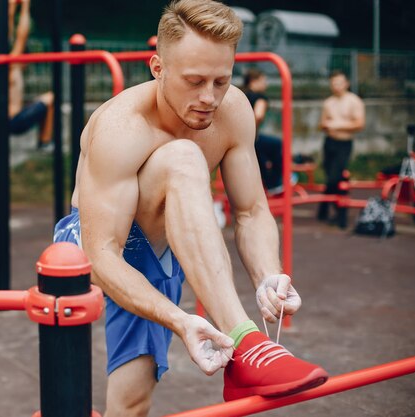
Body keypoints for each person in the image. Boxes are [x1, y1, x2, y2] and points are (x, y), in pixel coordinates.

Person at [53, 1, 328, 415]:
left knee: (131, 403)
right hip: (95, 239)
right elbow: (101, 252)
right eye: (194, 80)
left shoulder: (233, 110)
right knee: (182, 157)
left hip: (166, 236)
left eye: (221, 80)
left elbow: (252, 210)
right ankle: (247, 344)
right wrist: (181, 320)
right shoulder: (121, 127)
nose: (209, 97)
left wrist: (269, 275)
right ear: (157, 67)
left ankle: (241, 358)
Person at [317, 70, 365, 222]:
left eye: (339, 82)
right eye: (333, 83)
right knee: (330, 177)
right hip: (329, 142)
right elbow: (322, 124)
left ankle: (337, 211)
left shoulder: (354, 101)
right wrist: (327, 125)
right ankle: (331, 211)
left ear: (346, 83)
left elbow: (359, 124)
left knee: (335, 178)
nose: (336, 86)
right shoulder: (328, 102)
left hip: (344, 144)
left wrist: (338, 125)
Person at [8, 0, 54, 149]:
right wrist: (26, 5)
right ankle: (45, 141)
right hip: (13, 121)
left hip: (12, 118)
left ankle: (44, 140)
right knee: (51, 98)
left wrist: (12, 8)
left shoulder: (8, 67)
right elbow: (21, 36)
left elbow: (9, 36)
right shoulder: (12, 65)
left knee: (45, 99)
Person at [242, 68, 287, 195]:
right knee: (277, 144)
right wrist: (252, 130)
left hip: (238, 137)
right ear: (253, 82)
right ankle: (275, 182)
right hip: (250, 136)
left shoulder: (242, 94)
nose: (265, 84)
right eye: (263, 81)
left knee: (259, 154)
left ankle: (266, 181)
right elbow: (259, 115)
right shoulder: (260, 97)